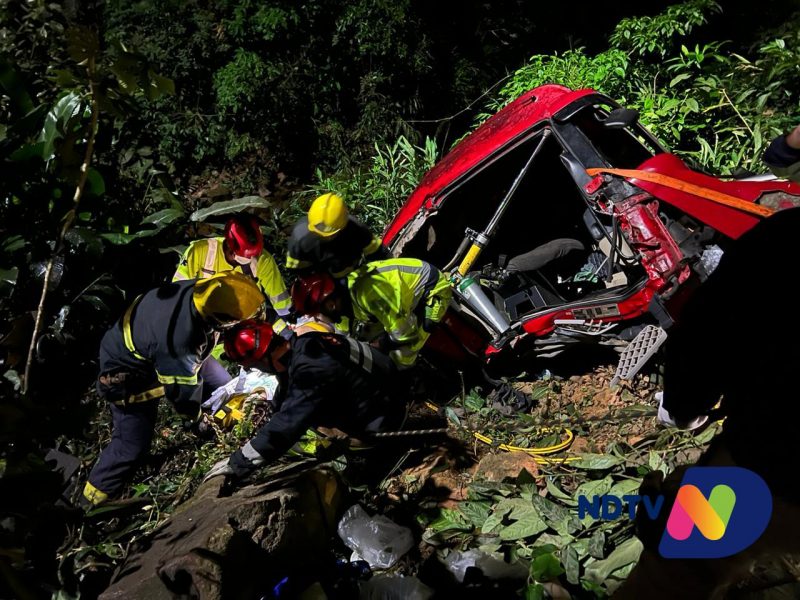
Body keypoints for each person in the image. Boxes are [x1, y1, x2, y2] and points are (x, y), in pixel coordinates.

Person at [615, 208, 800, 599]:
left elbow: (704, 335)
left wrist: (683, 404)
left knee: (672, 576)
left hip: (767, 460)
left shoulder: (785, 236)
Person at [82, 272, 266, 506]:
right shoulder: (181, 343)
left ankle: (225, 409)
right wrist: (197, 420)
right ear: (219, 321)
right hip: (126, 376)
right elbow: (182, 395)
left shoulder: (202, 290)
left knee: (222, 383)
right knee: (132, 444)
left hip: (149, 340)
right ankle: (91, 501)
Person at [204, 319, 402, 481]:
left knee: (308, 430)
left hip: (384, 421)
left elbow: (287, 426)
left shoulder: (311, 371)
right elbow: (287, 383)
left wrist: (239, 461)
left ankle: (363, 467)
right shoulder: (306, 343)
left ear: (263, 359)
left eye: (253, 366)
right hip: (385, 394)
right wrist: (274, 410)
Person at [292, 258, 452, 369]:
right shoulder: (341, 301)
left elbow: (404, 333)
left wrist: (380, 345)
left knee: (401, 355)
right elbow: (345, 337)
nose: (317, 319)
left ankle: (412, 380)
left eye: (317, 314)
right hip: (398, 303)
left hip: (430, 291)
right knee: (364, 338)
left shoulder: (369, 293)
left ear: (330, 304)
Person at [174, 214, 292, 338]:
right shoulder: (200, 251)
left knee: (285, 334)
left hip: (246, 322)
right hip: (205, 321)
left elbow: (280, 299)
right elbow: (178, 290)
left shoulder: (263, 260)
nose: (249, 260)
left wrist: (291, 318)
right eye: (241, 258)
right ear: (229, 246)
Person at [286, 193, 386, 278]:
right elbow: (296, 268)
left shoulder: (355, 229)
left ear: (343, 225)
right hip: (324, 280)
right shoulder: (301, 238)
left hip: (353, 274)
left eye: (331, 233)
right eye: (320, 231)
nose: (326, 236)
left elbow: (378, 251)